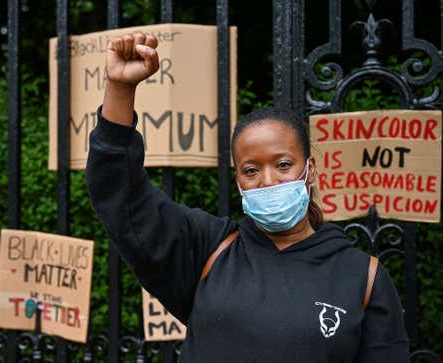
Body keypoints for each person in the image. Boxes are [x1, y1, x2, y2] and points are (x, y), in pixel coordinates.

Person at [85, 32, 410, 362]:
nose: (268, 181)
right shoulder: (206, 251)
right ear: (237, 179)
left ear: (310, 169)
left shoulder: (363, 278)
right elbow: (118, 191)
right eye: (251, 170)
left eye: (283, 165)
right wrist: (120, 89)